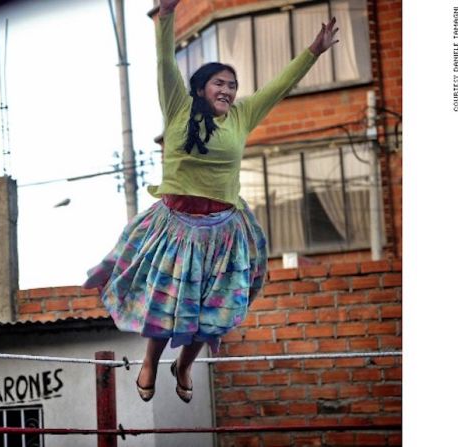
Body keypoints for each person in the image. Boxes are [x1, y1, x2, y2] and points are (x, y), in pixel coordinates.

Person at [83, 0, 338, 403]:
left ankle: (184, 365)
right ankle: (151, 362)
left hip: (224, 232)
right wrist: (166, 16)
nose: (228, 90)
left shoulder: (241, 117)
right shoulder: (178, 108)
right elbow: (164, 61)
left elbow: (279, 87)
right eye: (220, 83)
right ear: (201, 88)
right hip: (176, 226)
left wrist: (313, 51)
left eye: (233, 85)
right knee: (168, 301)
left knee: (214, 311)